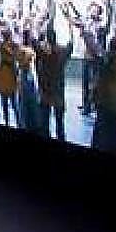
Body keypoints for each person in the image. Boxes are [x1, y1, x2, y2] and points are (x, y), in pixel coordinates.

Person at [37, 12, 74, 141]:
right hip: (58, 92)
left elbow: (33, 40)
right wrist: (70, 25)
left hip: (45, 93)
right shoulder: (62, 52)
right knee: (60, 125)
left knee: (44, 125)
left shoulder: (43, 52)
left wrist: (40, 24)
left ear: (47, 38)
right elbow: (71, 44)